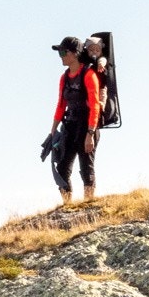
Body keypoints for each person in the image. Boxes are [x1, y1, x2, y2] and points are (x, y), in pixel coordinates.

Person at [47, 35, 101, 204]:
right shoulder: (64, 78)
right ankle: (68, 205)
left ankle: (89, 204)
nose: (61, 56)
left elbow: (95, 106)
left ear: (74, 54)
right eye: (60, 52)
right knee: (62, 167)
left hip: (87, 127)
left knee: (86, 168)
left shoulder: (89, 74)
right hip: (70, 126)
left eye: (63, 52)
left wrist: (90, 133)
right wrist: (52, 131)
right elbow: (61, 105)